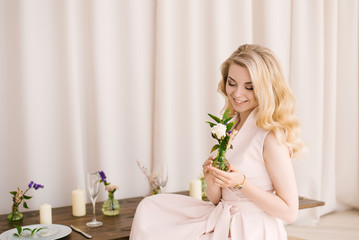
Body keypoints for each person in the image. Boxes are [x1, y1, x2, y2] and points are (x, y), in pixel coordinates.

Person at [130, 44, 305, 240]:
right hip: (222, 218)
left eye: (249, 87)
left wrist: (241, 183)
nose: (237, 94)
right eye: (232, 83)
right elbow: (217, 200)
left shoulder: (270, 137)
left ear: (265, 89)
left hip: (252, 229)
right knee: (151, 207)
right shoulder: (231, 126)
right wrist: (211, 179)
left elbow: (290, 212)